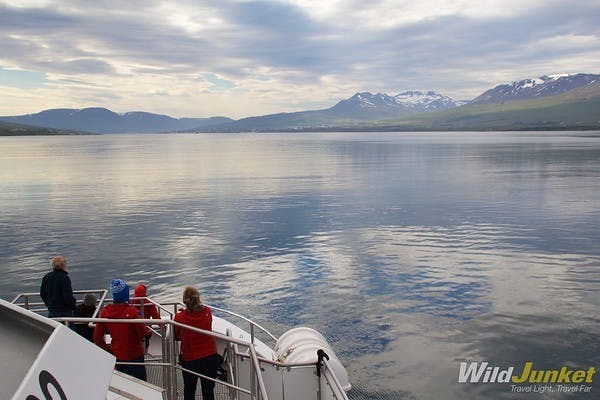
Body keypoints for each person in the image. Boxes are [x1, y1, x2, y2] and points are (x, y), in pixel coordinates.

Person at [93, 279, 149, 381]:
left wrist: (109, 352)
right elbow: (143, 333)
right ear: (125, 294)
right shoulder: (131, 311)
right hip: (135, 355)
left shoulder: (105, 312)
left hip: (117, 356)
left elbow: (97, 338)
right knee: (141, 386)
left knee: (123, 384)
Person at [174, 287, 220, 400]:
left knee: (189, 391)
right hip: (210, 358)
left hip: (191, 360)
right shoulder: (207, 311)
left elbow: (176, 336)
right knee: (208, 391)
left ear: (185, 300)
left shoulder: (179, 317)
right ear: (198, 298)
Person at [132, 284, 160, 350]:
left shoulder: (131, 303)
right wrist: (164, 328)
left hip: (134, 331)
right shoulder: (149, 303)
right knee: (145, 342)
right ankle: (144, 352)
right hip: (146, 331)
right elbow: (156, 317)